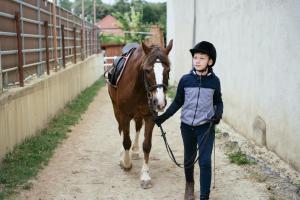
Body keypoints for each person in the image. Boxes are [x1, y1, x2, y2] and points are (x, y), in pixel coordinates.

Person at [154, 41, 223, 200]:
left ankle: (204, 196)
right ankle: (189, 184)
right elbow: (178, 102)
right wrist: (162, 118)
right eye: (195, 57)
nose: (197, 61)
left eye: (202, 58)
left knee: (205, 162)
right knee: (188, 159)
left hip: (206, 127)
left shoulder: (214, 82)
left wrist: (218, 114)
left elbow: (218, 101)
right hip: (187, 127)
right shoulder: (185, 80)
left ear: (210, 61)